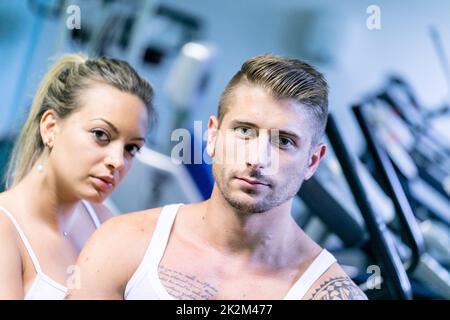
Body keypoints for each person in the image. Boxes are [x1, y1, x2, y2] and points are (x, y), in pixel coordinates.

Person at [67, 54, 367, 300]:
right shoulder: (123, 243)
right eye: (244, 131)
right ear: (212, 136)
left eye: (284, 141)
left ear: (312, 161)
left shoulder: (329, 294)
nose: (257, 159)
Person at [0, 53, 154, 299]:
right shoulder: (5, 228)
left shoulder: (106, 226)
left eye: (131, 148)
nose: (117, 161)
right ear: (50, 127)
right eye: (100, 134)